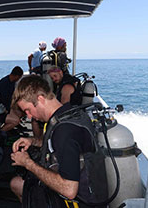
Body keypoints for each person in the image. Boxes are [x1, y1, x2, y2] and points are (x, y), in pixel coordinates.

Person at [9, 75, 93, 207]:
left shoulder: (64, 132)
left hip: (76, 201)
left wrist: (27, 163)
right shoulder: (68, 113)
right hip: (87, 187)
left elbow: (69, 190)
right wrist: (33, 141)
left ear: (40, 99)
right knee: (16, 184)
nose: (29, 116)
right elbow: (54, 144)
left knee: (19, 184)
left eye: (28, 110)